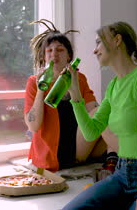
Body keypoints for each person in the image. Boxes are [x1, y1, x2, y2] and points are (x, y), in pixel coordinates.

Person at [62, 21, 137, 209]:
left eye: (98, 43)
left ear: (117, 40)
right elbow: (90, 132)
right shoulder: (114, 86)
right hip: (121, 173)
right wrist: (75, 93)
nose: (94, 51)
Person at [24, 19, 118, 172]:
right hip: (55, 153)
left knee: (108, 112)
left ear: (69, 56)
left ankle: (114, 161)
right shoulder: (34, 82)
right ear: (43, 57)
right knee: (106, 112)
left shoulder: (79, 78)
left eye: (60, 50)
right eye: (49, 51)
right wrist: (41, 89)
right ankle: (115, 162)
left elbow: (93, 110)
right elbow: (33, 126)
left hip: (81, 146)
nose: (54, 54)